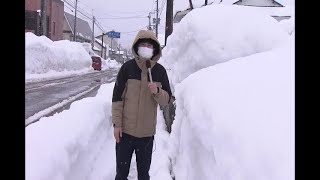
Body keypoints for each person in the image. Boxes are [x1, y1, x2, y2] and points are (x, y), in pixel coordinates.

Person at [112, 30, 172, 180]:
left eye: (149, 45)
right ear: (137, 46)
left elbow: (167, 100)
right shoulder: (127, 68)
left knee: (144, 175)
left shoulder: (160, 71)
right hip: (125, 133)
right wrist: (117, 125)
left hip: (146, 136)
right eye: (143, 44)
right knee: (121, 174)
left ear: (154, 49)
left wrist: (157, 91)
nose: (146, 47)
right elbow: (117, 98)